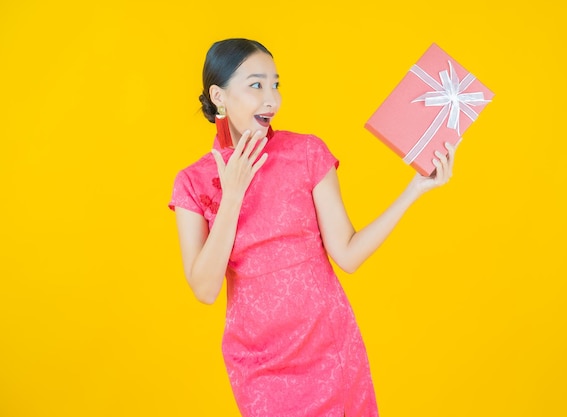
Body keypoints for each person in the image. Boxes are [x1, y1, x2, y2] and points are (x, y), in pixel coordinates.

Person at [168, 38, 457, 417]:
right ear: (218, 96)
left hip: (330, 349)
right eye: (256, 85)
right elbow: (204, 289)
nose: (271, 98)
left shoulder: (306, 153)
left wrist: (414, 189)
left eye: (275, 84)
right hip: (258, 362)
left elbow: (348, 255)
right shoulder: (192, 181)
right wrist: (233, 194)